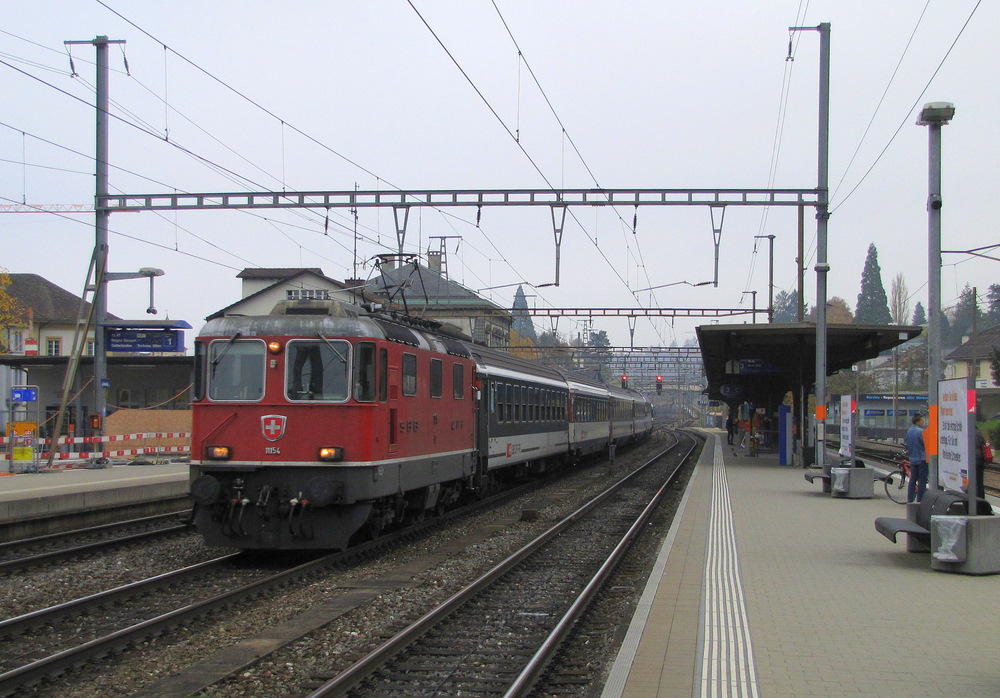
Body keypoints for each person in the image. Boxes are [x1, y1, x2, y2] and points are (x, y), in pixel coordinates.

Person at [904, 414, 928, 503]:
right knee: (922, 480)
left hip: (912, 458)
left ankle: (910, 499)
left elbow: (906, 442)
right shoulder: (921, 431)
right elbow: (925, 443)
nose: (923, 422)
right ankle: (920, 500)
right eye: (922, 420)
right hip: (922, 458)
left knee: (913, 479)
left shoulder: (909, 430)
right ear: (917, 421)